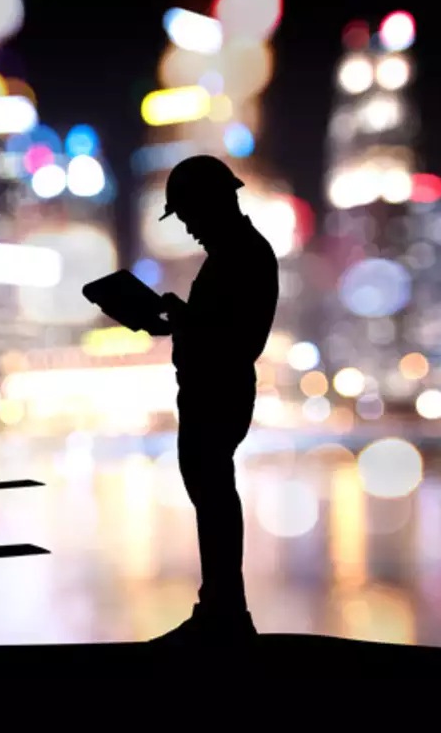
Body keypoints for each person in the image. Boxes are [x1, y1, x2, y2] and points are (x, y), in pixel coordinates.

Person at [146, 155, 279, 643]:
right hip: (213, 389)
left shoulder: (240, 255)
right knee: (212, 494)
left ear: (209, 203)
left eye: (187, 214)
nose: (186, 226)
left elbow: (233, 338)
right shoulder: (236, 253)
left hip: (217, 390)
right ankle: (221, 608)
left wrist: (183, 321)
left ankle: (224, 613)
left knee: (215, 495)